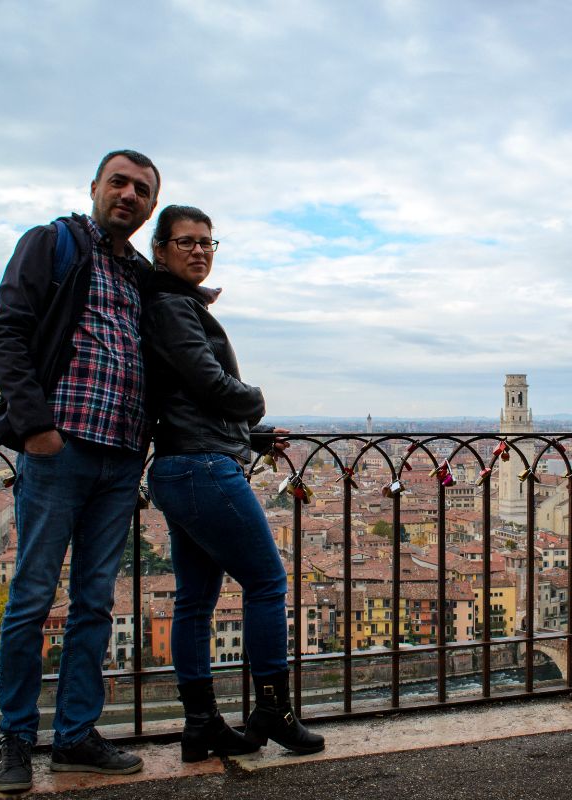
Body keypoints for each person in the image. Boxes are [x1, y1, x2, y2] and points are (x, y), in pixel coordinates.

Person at [0, 150, 159, 793]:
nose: (129, 195)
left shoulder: (140, 274)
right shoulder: (53, 244)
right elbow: (5, 333)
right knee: (32, 598)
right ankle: (16, 740)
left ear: (150, 206)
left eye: (142, 189)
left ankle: (75, 737)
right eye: (119, 182)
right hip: (61, 451)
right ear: (94, 187)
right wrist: (36, 428)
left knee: (94, 603)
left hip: (121, 455)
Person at [142, 204, 324, 760]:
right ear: (161, 250)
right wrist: (255, 401)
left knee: (195, 602)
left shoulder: (169, 303)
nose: (199, 250)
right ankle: (273, 710)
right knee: (267, 582)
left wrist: (250, 434)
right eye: (186, 241)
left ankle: (201, 723)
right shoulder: (173, 306)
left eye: (207, 242)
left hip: (178, 467)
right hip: (203, 468)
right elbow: (209, 382)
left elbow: (186, 399)